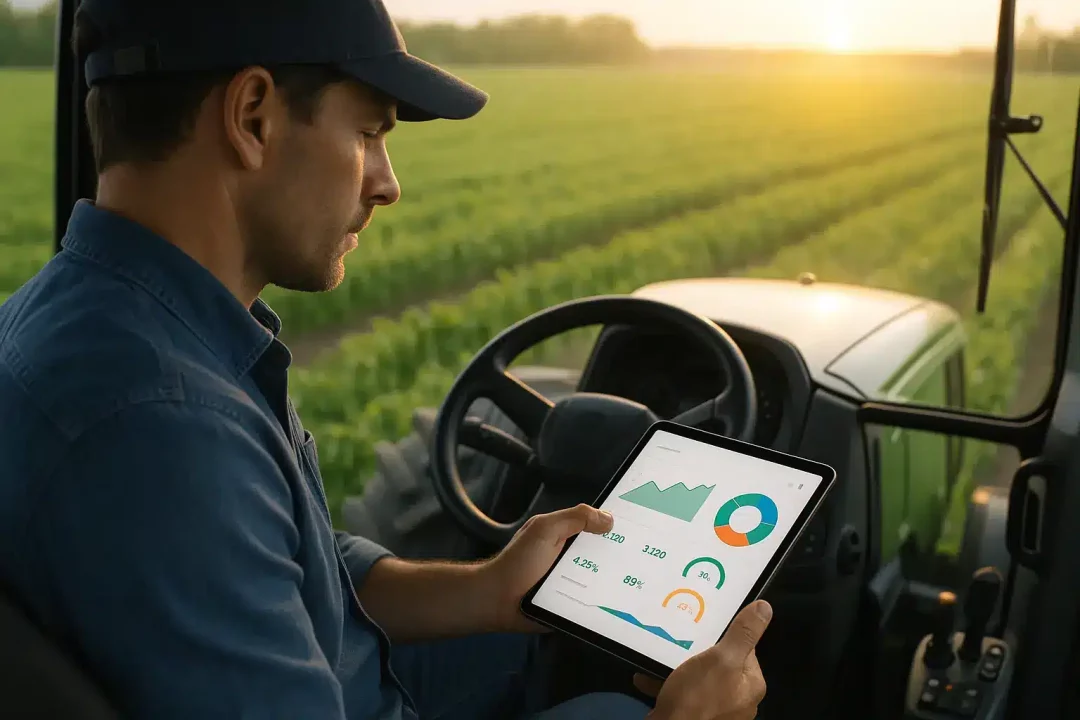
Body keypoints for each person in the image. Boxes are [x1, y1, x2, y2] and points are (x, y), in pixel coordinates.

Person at [0, 0, 772, 718]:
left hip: (338, 662)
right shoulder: (163, 427)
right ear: (253, 116)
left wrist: (488, 588)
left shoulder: (100, 320)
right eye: (369, 133)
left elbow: (293, 564)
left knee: (559, 638)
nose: (388, 183)